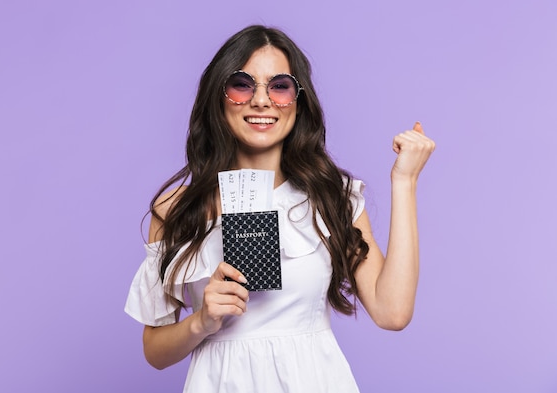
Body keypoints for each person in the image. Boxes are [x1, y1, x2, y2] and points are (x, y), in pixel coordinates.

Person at [125, 25, 435, 392]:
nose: (261, 100)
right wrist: (202, 322)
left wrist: (405, 182)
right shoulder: (174, 208)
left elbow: (392, 312)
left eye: (279, 86)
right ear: (218, 96)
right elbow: (155, 352)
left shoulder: (331, 196)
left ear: (298, 101)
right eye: (242, 84)